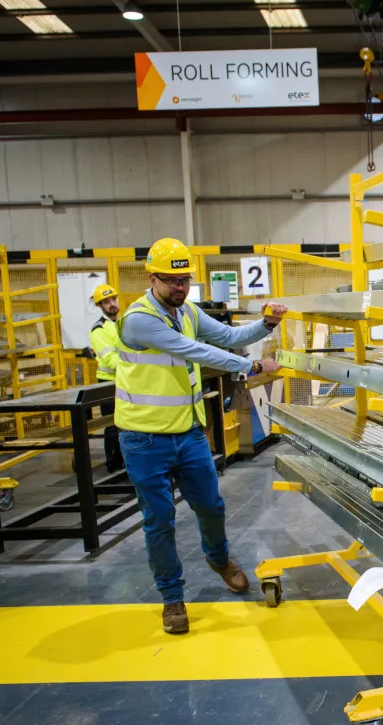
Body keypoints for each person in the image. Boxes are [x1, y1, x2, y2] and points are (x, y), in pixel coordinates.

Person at [115, 238, 287, 634]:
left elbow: (226, 337)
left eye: (185, 279)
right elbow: (198, 353)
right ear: (153, 278)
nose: (180, 287)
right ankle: (172, 598)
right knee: (159, 520)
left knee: (211, 506)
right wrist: (254, 365)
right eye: (172, 281)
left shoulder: (187, 311)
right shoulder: (140, 319)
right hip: (144, 440)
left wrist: (267, 324)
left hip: (188, 434)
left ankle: (219, 559)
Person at [88, 282, 123, 472]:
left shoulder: (122, 323)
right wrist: (133, 368)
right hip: (109, 383)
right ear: (99, 306)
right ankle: (113, 465)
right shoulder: (98, 330)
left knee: (128, 422)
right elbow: (110, 359)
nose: (112, 304)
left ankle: (125, 460)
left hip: (126, 381)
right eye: (106, 302)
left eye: (113, 299)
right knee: (112, 425)